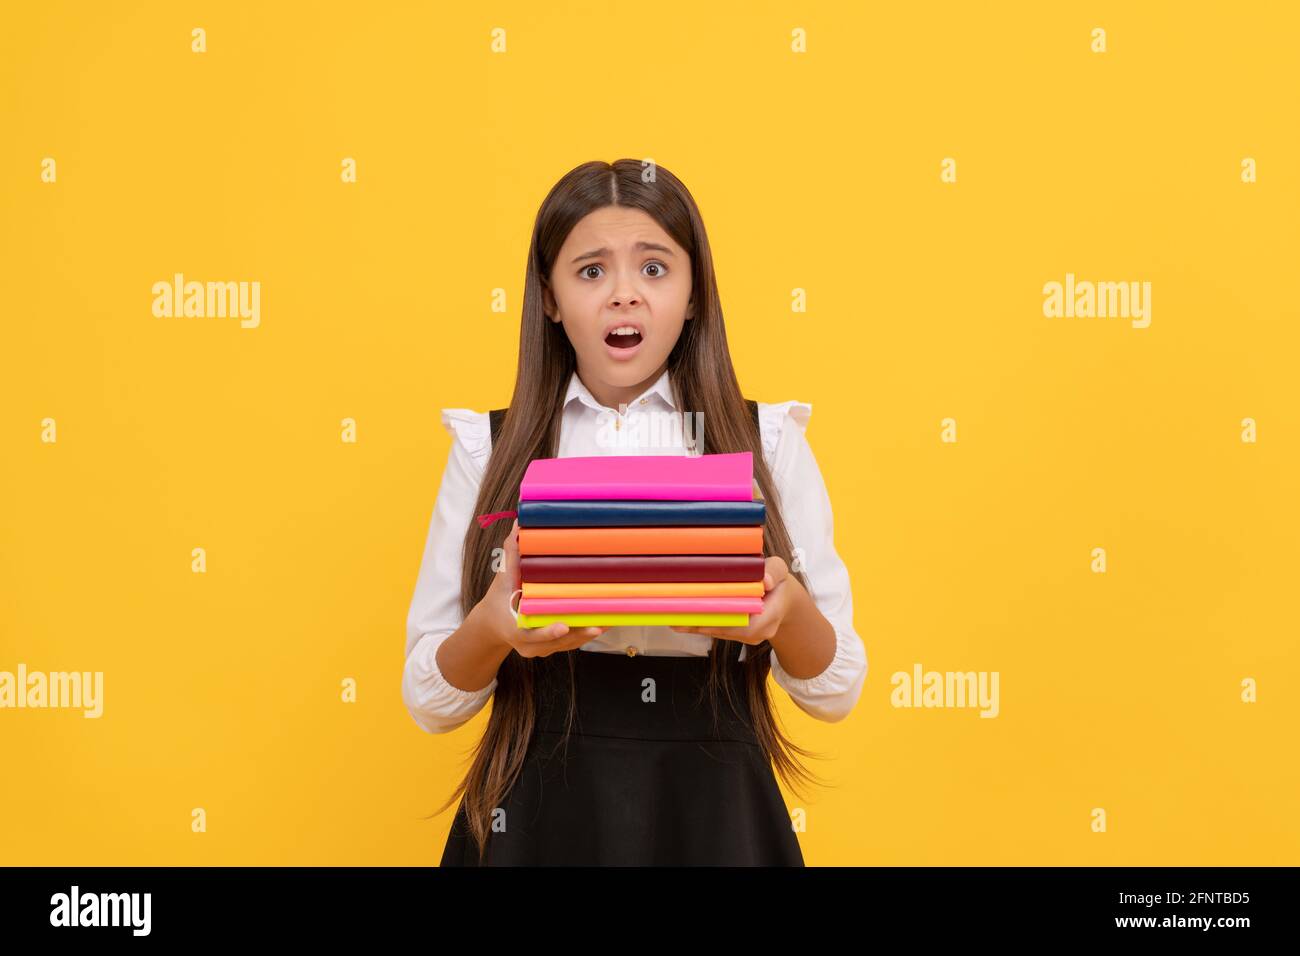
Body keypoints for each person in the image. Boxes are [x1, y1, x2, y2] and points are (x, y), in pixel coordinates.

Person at [403, 158, 867, 865]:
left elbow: (835, 689)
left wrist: (788, 611)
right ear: (551, 297)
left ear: (693, 294)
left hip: (715, 811)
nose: (625, 295)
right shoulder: (488, 449)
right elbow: (430, 700)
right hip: (539, 810)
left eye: (654, 269)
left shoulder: (767, 439)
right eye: (591, 271)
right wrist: (494, 624)